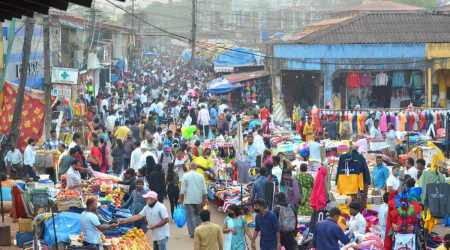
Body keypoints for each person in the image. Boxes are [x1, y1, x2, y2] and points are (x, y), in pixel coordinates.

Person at [179, 163, 208, 238]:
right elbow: (204, 190)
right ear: (196, 168)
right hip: (199, 200)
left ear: (189, 167)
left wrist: (181, 199)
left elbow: (182, 190)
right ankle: (199, 232)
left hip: (188, 200)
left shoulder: (185, 175)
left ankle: (192, 233)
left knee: (189, 217)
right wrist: (205, 199)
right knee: (198, 216)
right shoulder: (200, 176)